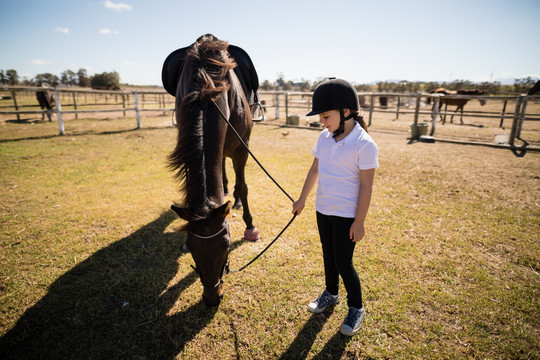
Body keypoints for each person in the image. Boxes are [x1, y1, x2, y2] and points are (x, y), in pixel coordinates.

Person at [292, 78, 378, 336]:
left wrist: (359, 221)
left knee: (343, 261)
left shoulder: (365, 144)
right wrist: (302, 198)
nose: (322, 121)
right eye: (321, 116)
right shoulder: (325, 137)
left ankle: (357, 307)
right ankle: (331, 293)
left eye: (326, 116)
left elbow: (366, 186)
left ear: (346, 112)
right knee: (328, 255)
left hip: (346, 215)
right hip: (323, 209)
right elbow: (315, 169)